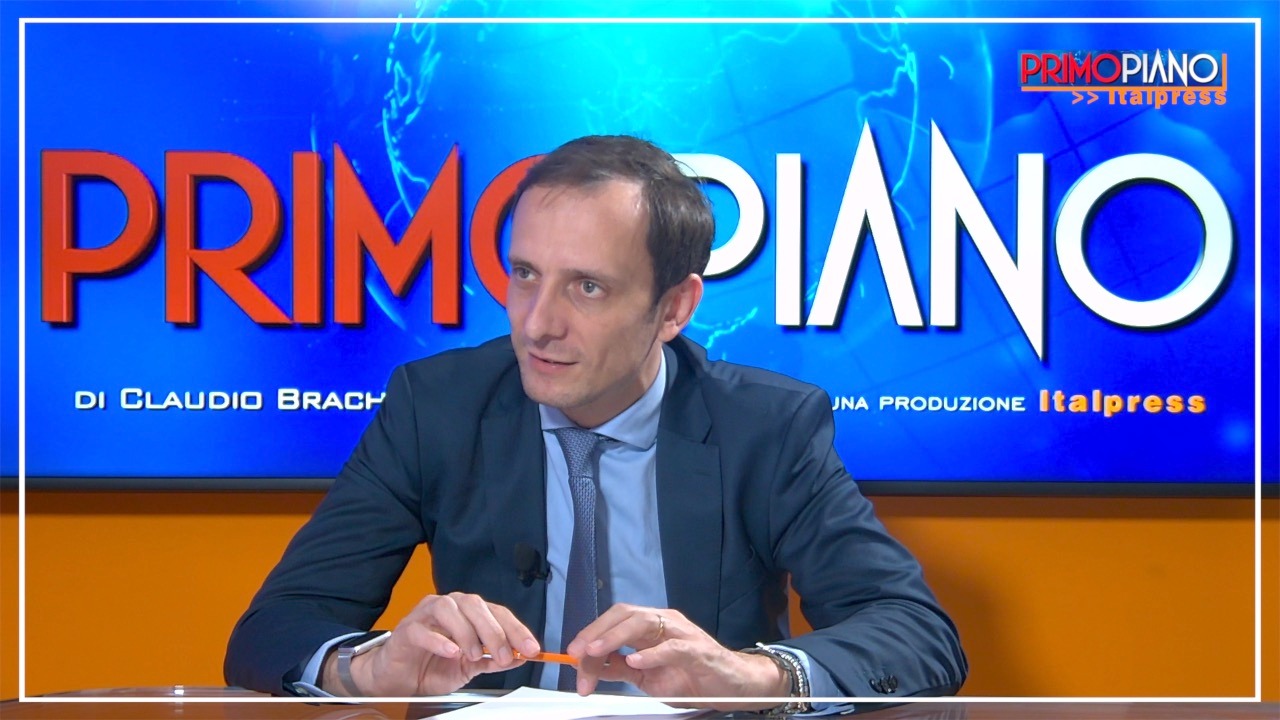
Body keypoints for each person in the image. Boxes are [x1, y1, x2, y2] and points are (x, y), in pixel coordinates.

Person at [224, 135, 967, 713]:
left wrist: (747, 676)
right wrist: (368, 667)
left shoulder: (766, 427)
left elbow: (916, 632)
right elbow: (273, 630)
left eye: (587, 287)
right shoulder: (436, 408)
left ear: (674, 308)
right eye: (524, 275)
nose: (537, 325)